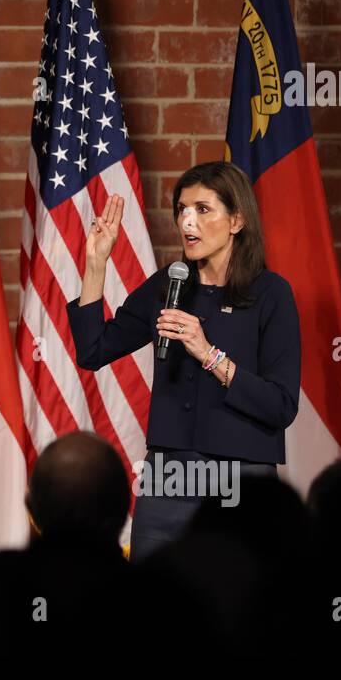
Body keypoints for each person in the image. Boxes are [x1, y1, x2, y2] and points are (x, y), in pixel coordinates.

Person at [66, 160, 301, 560]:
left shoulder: (271, 294)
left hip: (241, 483)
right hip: (168, 481)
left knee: (238, 607)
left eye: (202, 210)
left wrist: (209, 354)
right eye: (182, 210)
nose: (187, 222)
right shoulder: (168, 285)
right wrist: (95, 264)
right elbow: (93, 351)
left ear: (237, 220)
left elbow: (280, 406)